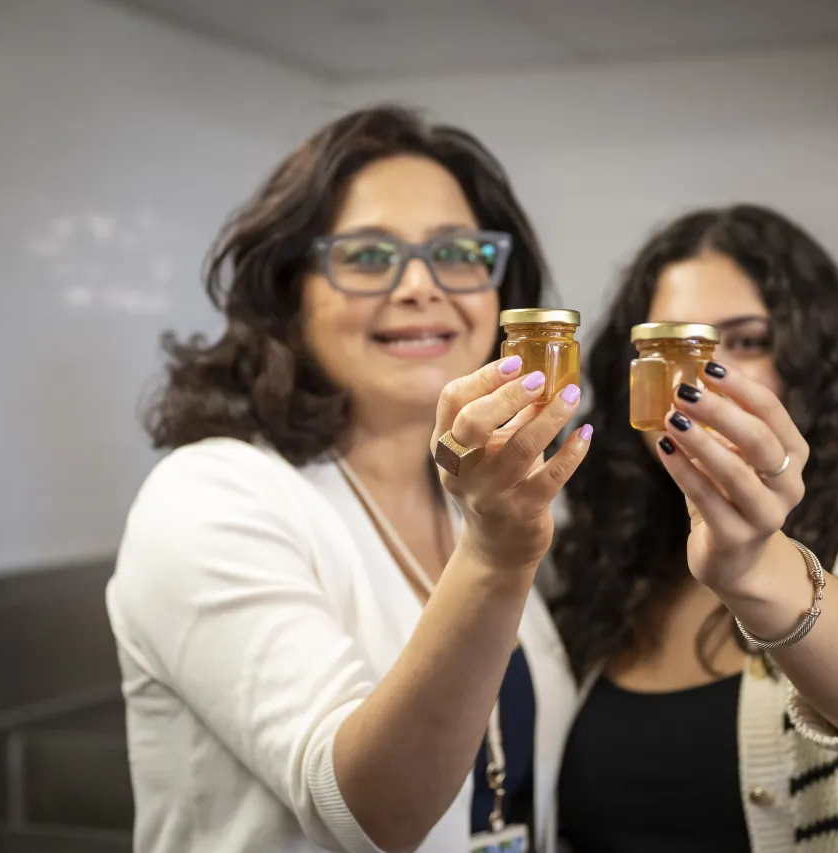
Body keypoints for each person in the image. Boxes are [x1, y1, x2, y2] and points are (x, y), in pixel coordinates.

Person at [106, 106, 591, 853]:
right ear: (289, 294)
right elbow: (368, 812)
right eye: (368, 257)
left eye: (459, 251)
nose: (421, 287)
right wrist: (495, 558)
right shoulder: (211, 496)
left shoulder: (483, 495)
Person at [552, 204, 838, 852]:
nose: (698, 374)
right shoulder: (605, 568)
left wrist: (757, 569)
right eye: (670, 346)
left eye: (746, 341)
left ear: (813, 364)